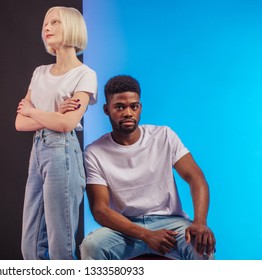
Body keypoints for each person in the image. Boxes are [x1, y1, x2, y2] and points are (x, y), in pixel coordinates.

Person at [77, 75, 215, 260]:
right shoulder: (94, 152)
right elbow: (100, 210)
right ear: (106, 109)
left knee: (200, 244)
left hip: (171, 224)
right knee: (92, 246)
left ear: (140, 108)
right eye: (119, 107)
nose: (128, 113)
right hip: (125, 229)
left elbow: (196, 178)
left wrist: (200, 222)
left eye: (133, 106)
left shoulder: (164, 136)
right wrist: (145, 234)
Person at [15, 6, 97, 260]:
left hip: (62, 151)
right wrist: (52, 116)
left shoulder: (85, 74)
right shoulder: (39, 72)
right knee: (30, 248)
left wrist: (34, 110)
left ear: (72, 27)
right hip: (38, 151)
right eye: (45, 24)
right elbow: (19, 122)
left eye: (55, 22)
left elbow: (67, 124)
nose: (46, 28)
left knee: (60, 247)